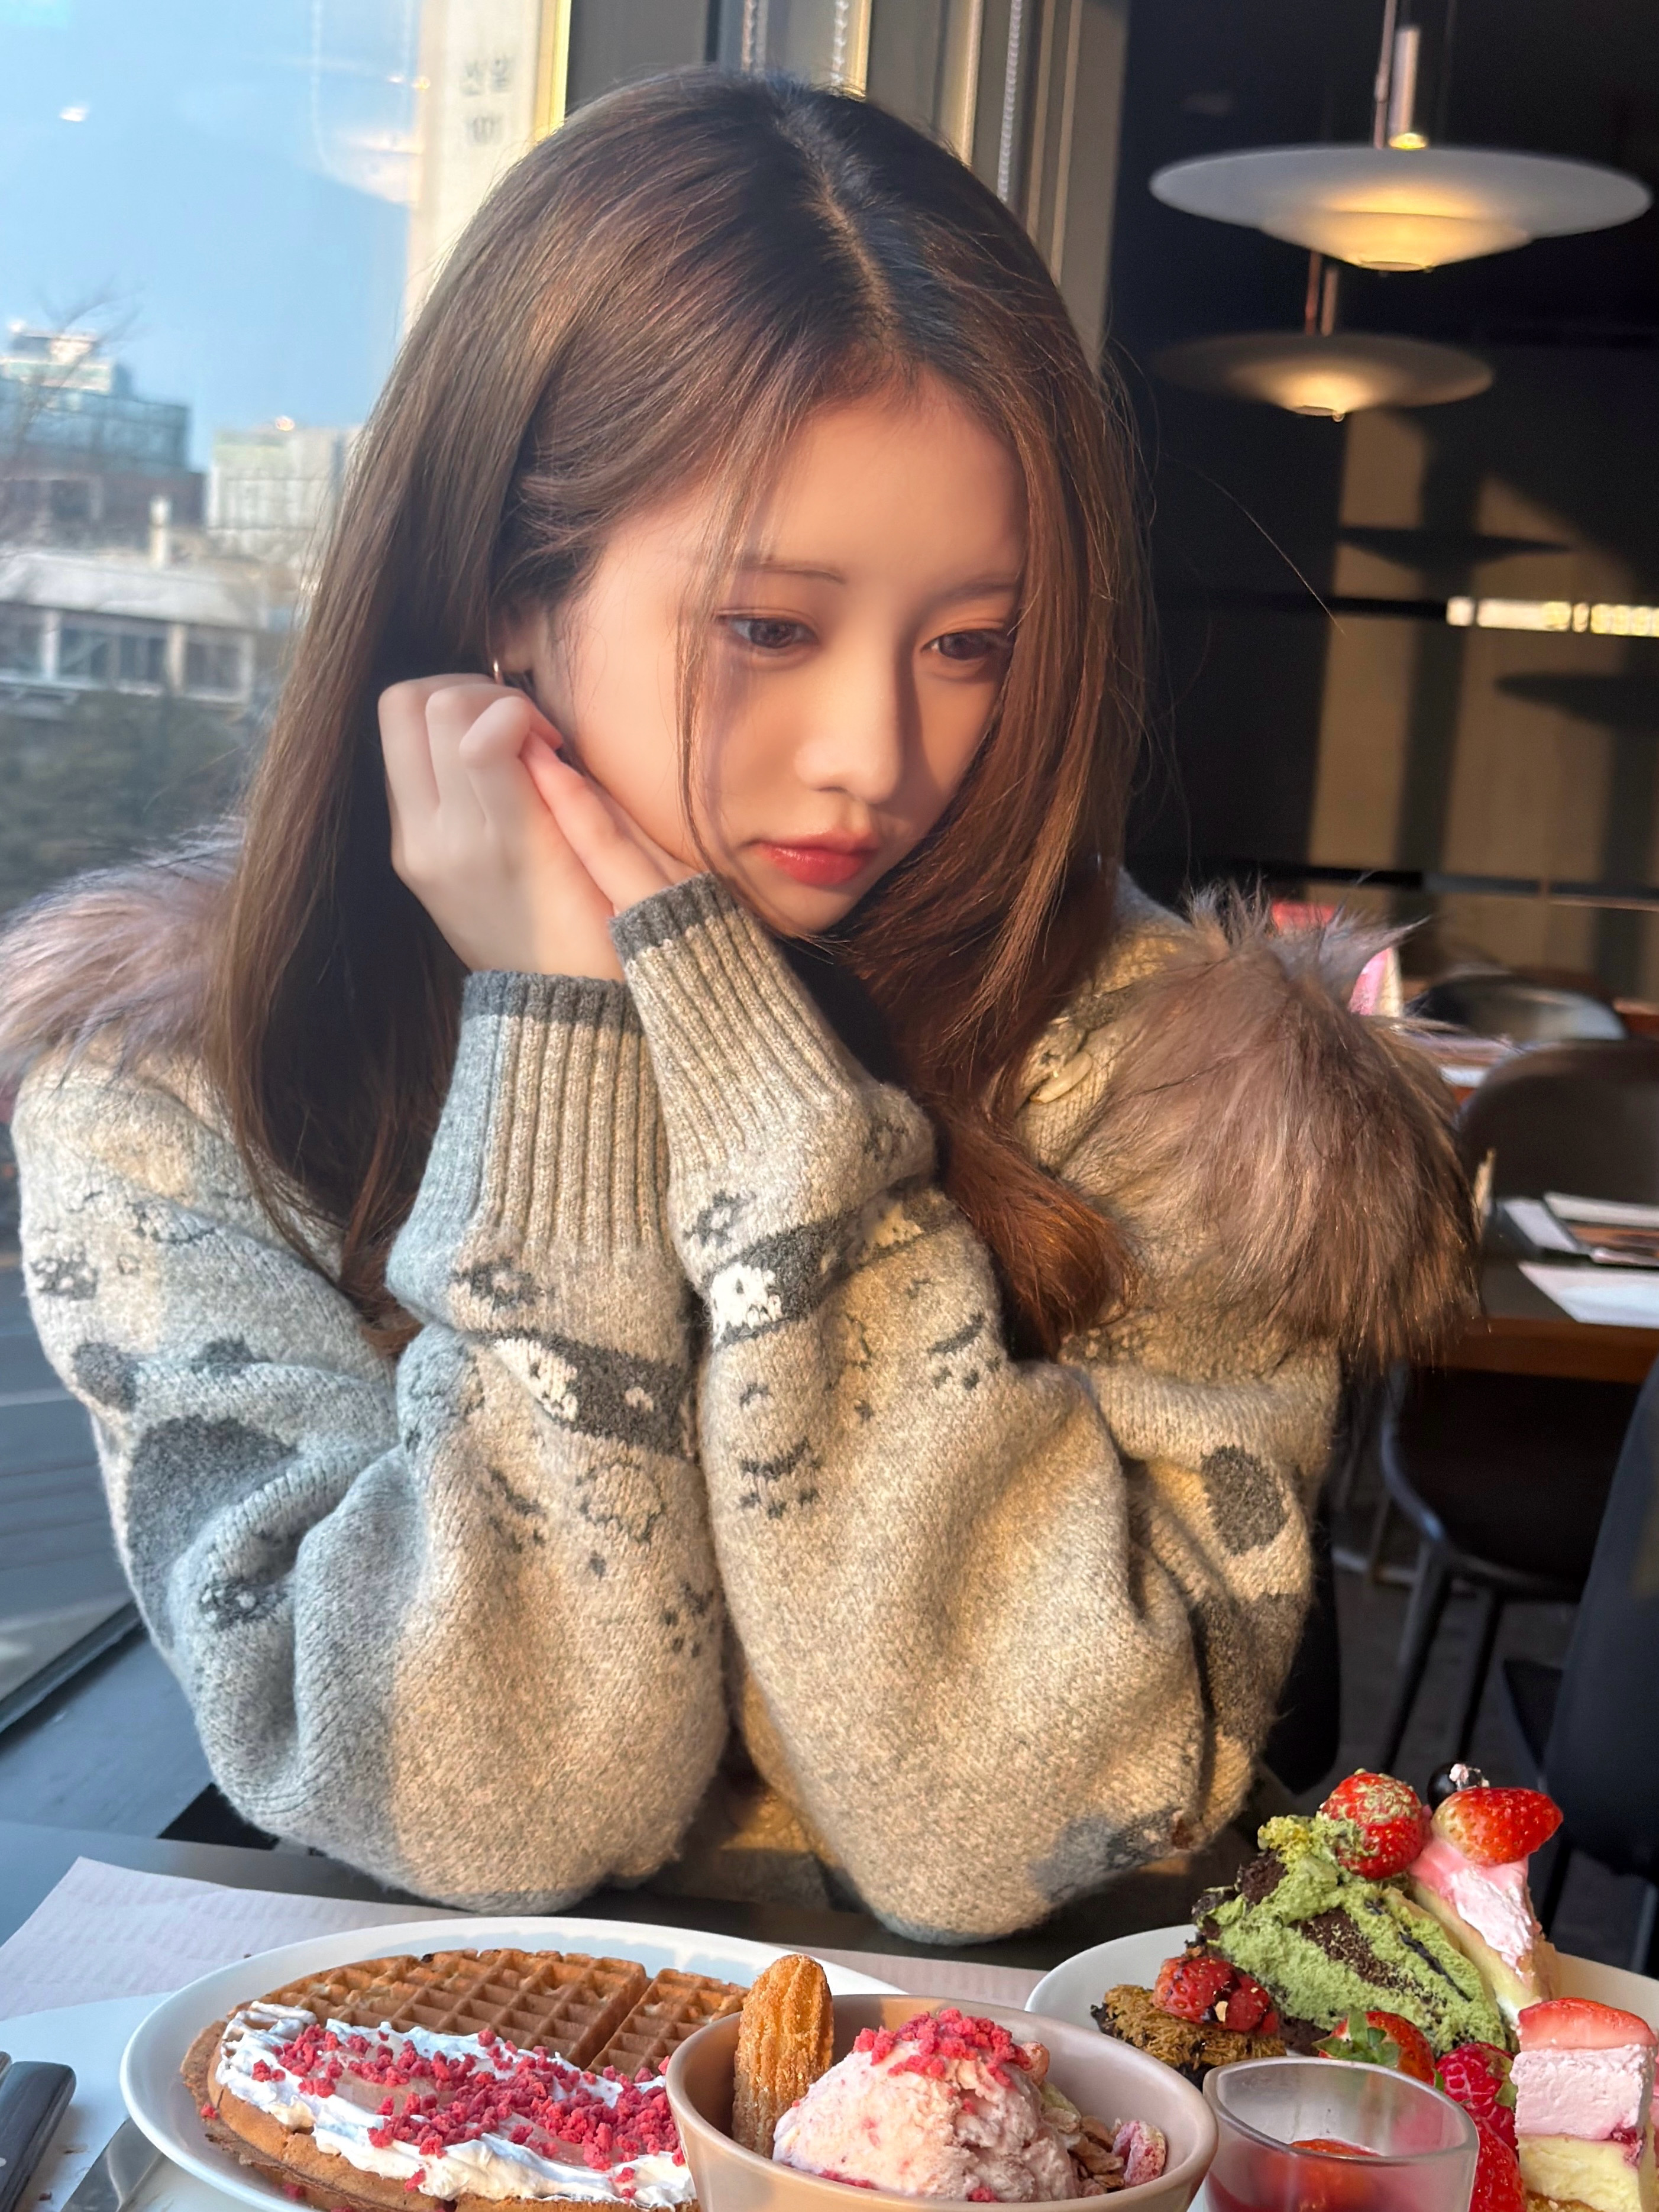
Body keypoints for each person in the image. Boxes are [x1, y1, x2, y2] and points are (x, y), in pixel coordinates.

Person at [0, 70, 1469, 1941]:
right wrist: (559, 1044)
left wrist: (749, 1080)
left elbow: (1017, 1826)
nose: (877, 754)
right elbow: (486, 1802)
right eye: (769, 627)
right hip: (424, 2077)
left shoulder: (1192, 1089)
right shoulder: (183, 1095)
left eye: (972, 644)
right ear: (503, 588)